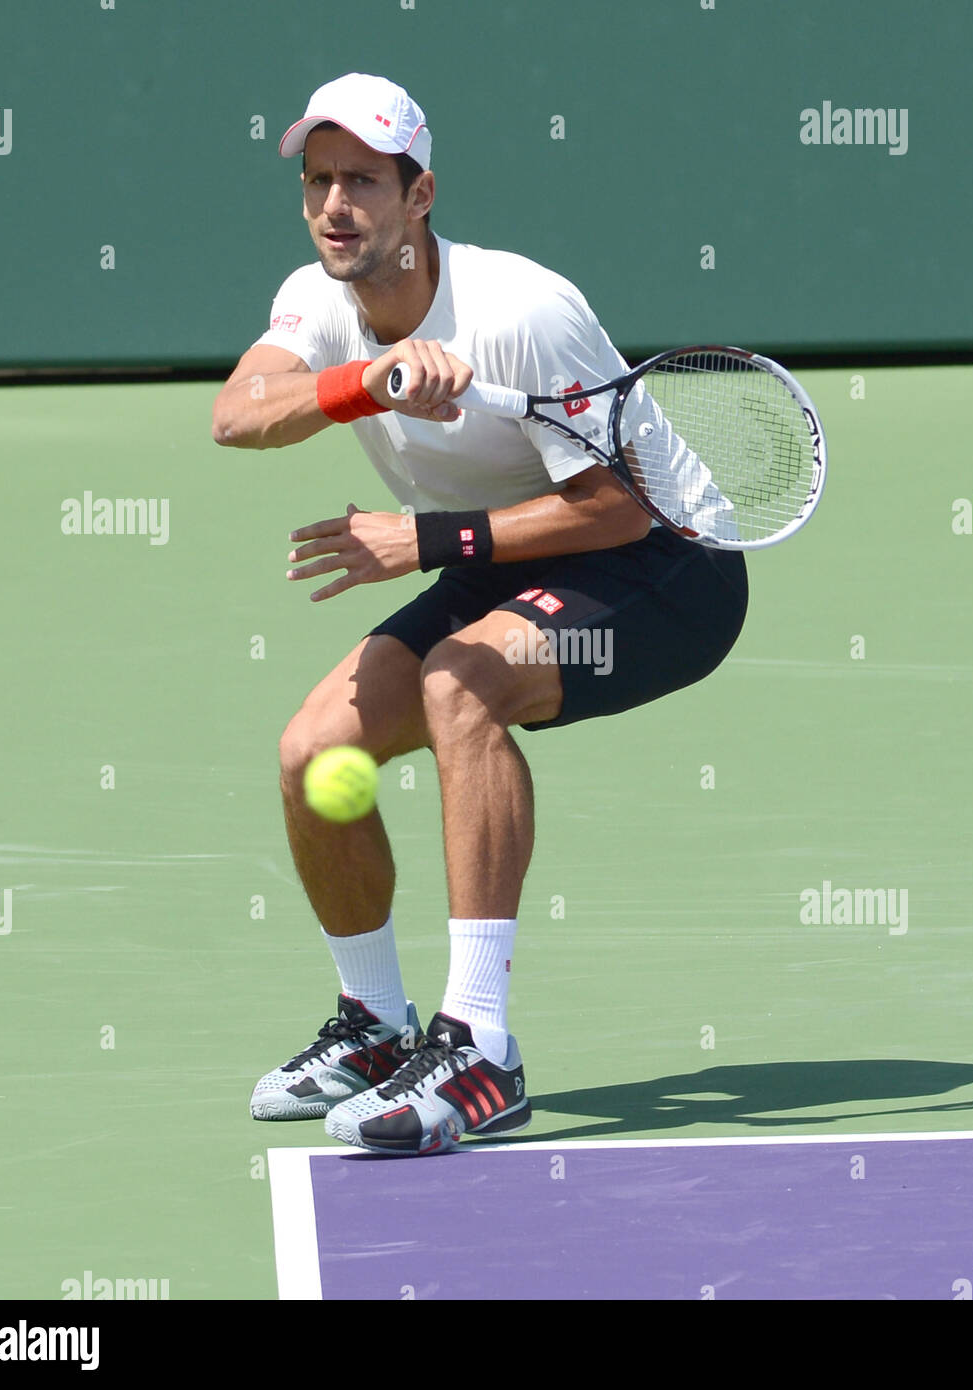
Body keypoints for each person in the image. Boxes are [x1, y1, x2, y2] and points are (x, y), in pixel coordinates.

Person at [212, 73, 749, 1157]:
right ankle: (374, 1025)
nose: (334, 205)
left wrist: (425, 541)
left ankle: (480, 1048)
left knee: (462, 682)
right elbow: (237, 416)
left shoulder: (523, 311)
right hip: (499, 542)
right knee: (310, 750)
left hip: (667, 563)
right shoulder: (317, 303)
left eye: (362, 180)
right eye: (317, 182)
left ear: (420, 196)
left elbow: (615, 506)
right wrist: (369, 381)